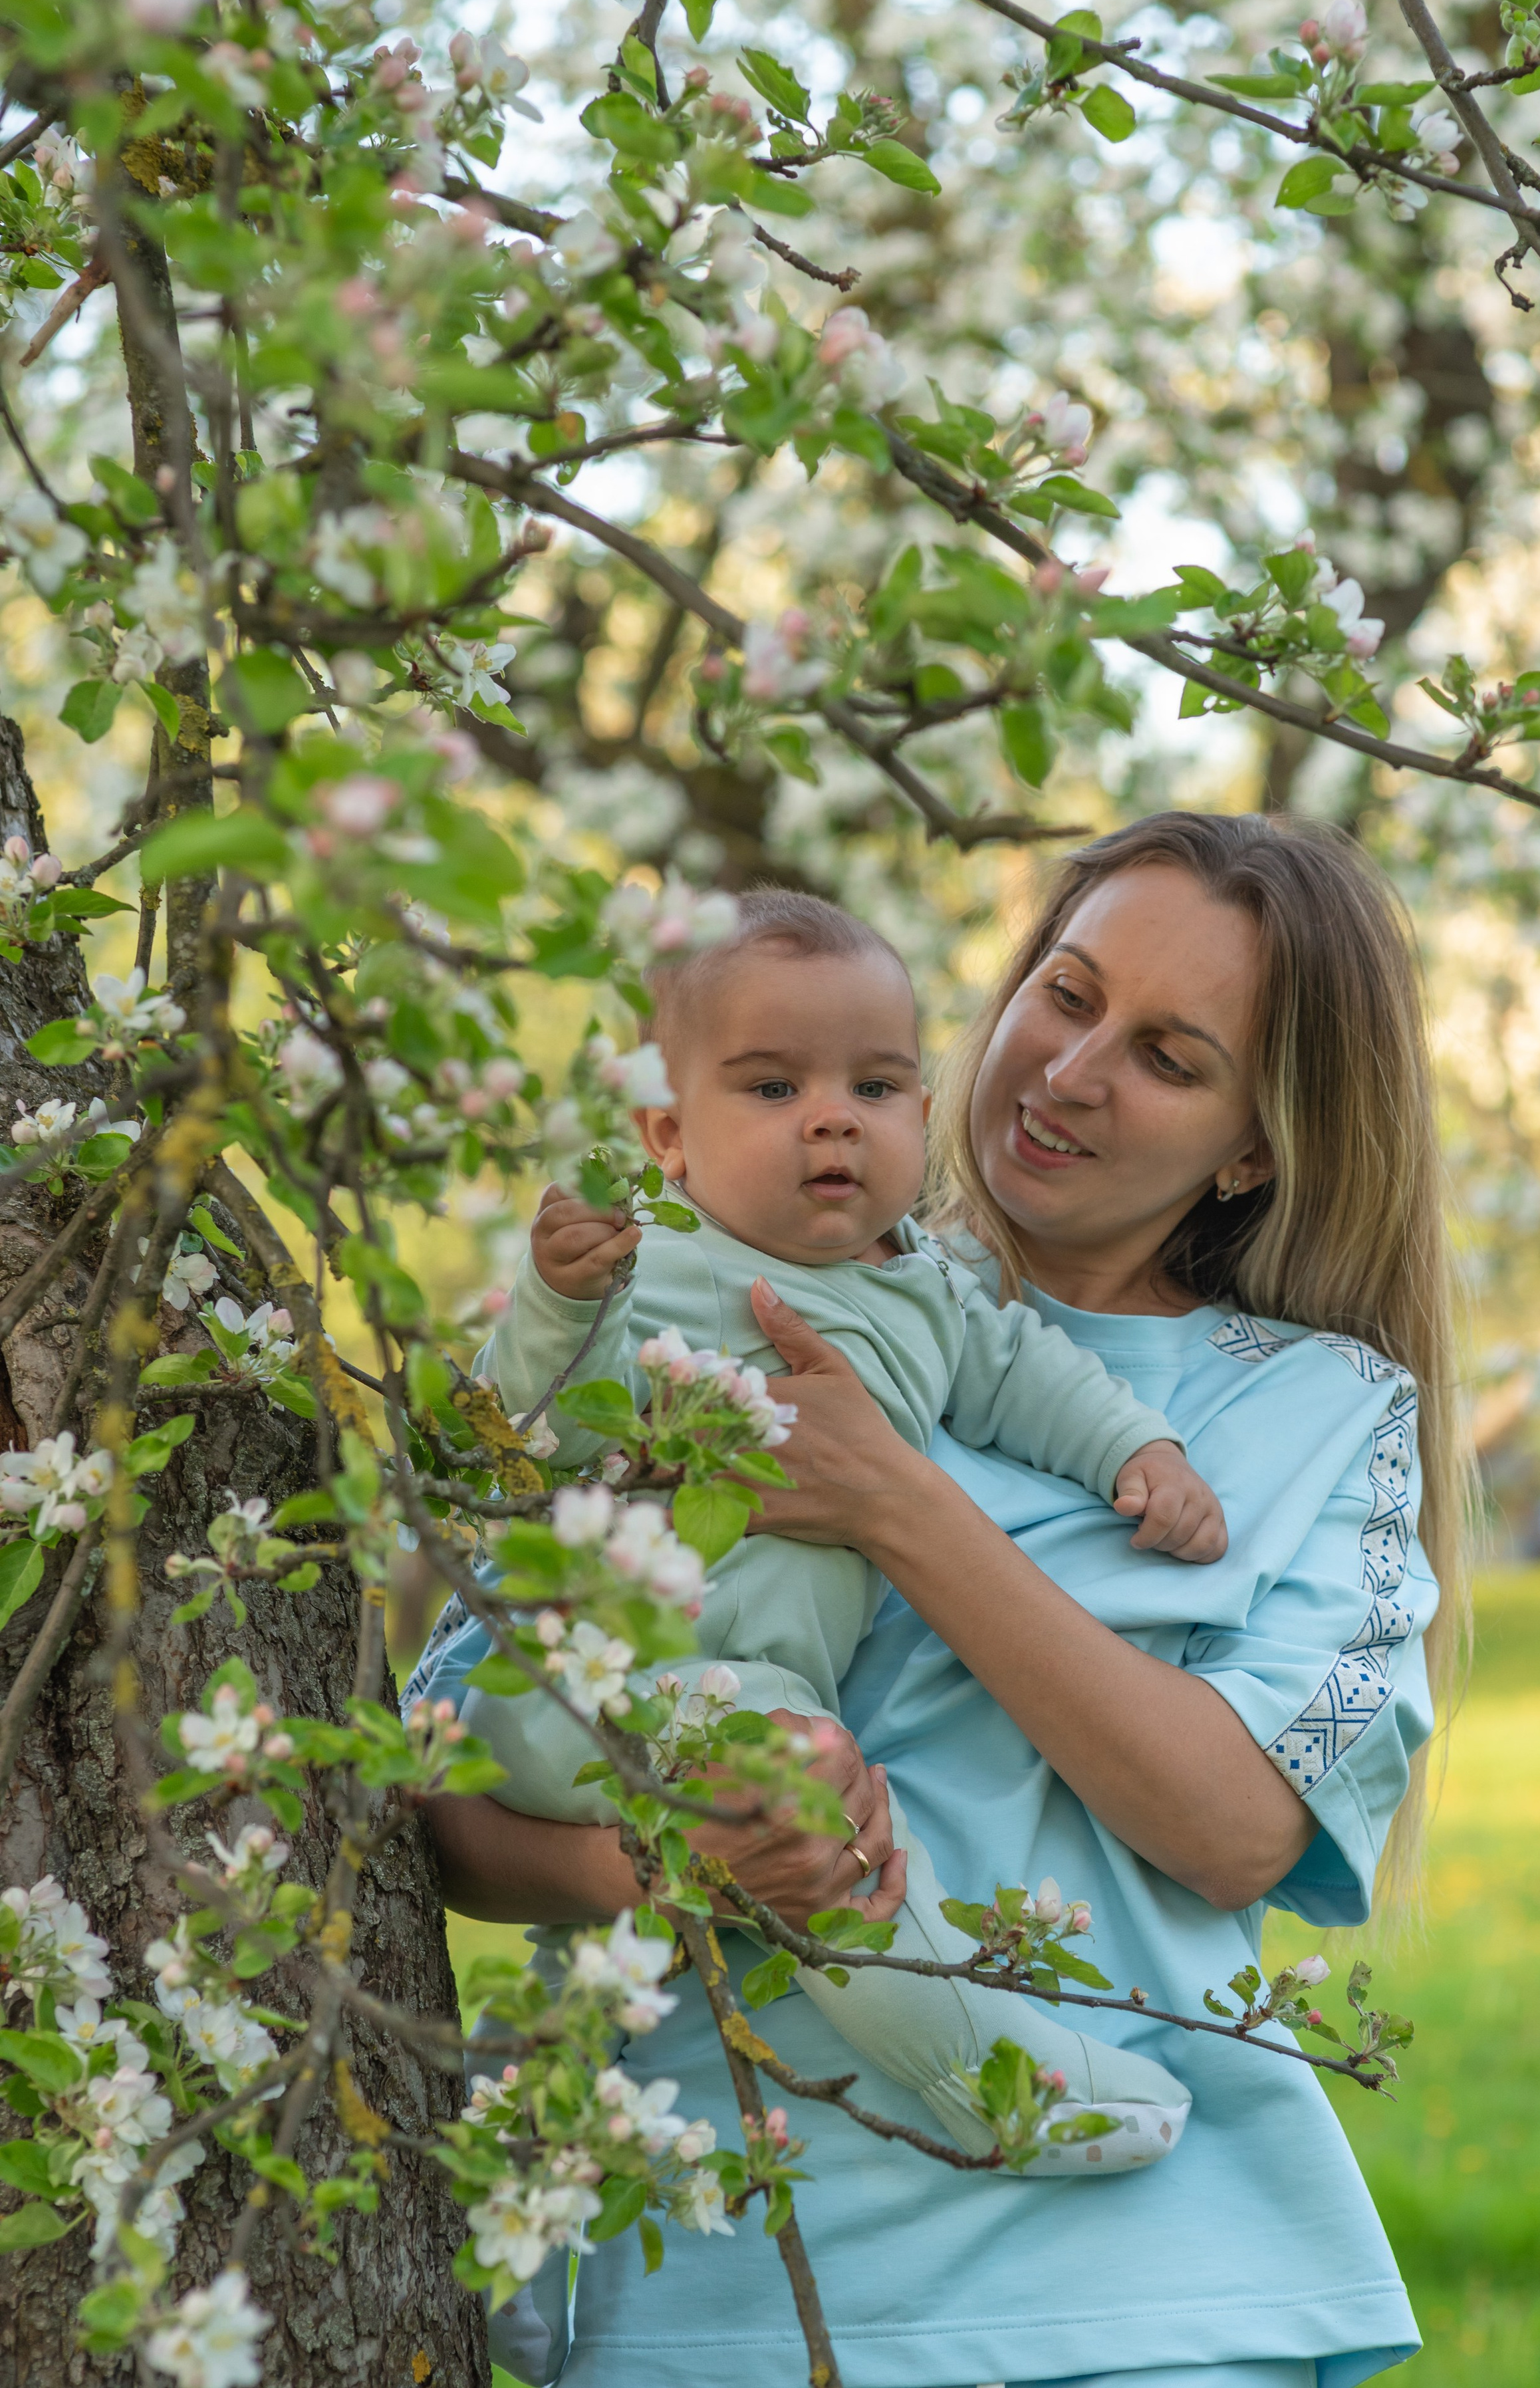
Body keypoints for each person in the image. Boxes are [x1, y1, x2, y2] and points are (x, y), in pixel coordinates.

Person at [415, 811, 1466, 2388]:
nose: (1069, 1071)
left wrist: (892, 1503)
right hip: (714, 2262)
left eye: (1169, 1058)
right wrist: (665, 1852)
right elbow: (437, 1786)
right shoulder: (697, 1290)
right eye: (1065, 991)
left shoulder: (1325, 1416)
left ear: (1251, 1143)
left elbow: (1240, 1825)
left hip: (1139, 2288)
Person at [465, 887, 1221, 2173]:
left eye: (874, 1087)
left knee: (599, 1985)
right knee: (825, 1820)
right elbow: (503, 1439)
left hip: (719, 1694)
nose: (830, 1116)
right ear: (668, 1136)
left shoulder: (928, 1286)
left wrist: (1141, 1454)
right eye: (769, 1090)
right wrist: (550, 1298)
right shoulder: (649, 1261)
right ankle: (993, 2082)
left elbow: (1030, 1377)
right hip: (594, 1676)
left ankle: (526, 2221)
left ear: (921, 1117)